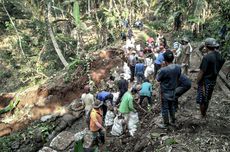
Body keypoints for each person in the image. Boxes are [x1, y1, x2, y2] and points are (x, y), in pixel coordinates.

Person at [196, 38, 225, 118]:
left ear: (206, 46)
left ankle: (202, 115)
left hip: (205, 81)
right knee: (207, 98)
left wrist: (197, 81)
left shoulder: (207, 57)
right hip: (213, 80)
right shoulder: (219, 56)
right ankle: (204, 113)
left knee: (202, 99)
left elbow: (202, 72)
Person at [157, 50, 181, 128]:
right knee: (172, 106)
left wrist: (162, 67)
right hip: (174, 90)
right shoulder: (178, 67)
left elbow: (158, 79)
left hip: (165, 91)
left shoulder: (163, 70)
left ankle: (166, 124)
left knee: (164, 107)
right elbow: (178, 77)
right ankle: (173, 121)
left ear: (164, 60)